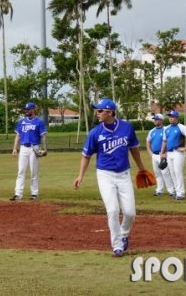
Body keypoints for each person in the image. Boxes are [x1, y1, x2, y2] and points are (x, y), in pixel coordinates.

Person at [73, 98, 148, 258]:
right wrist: (80, 175)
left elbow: (134, 149)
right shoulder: (95, 132)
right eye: (97, 110)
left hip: (124, 174)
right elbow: (86, 156)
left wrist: (142, 169)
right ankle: (117, 245)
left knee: (130, 213)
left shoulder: (127, 128)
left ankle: (124, 234)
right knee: (113, 210)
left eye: (100, 110)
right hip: (105, 175)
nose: (97, 113)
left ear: (110, 112)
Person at [10, 102, 47, 201]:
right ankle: (18, 194)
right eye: (26, 109)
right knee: (21, 171)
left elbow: (43, 136)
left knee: (33, 172)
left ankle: (34, 193)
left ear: (33, 109)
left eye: (28, 109)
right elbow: (18, 135)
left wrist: (44, 148)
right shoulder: (21, 121)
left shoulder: (39, 122)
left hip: (34, 148)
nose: (26, 111)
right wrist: (14, 148)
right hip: (23, 148)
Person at [160, 110, 186, 201]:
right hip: (169, 153)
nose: (170, 118)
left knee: (177, 171)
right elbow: (164, 141)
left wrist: (185, 148)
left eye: (172, 117)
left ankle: (181, 193)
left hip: (178, 152)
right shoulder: (166, 128)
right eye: (169, 117)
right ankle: (177, 191)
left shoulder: (181, 127)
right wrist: (162, 152)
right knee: (172, 172)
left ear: (177, 118)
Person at [146, 113, 175, 197]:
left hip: (163, 154)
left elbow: (168, 141)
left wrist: (165, 153)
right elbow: (148, 141)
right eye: (154, 119)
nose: (155, 121)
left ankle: (171, 190)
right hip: (154, 155)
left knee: (165, 172)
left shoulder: (166, 129)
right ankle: (159, 190)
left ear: (161, 120)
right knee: (157, 173)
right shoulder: (152, 131)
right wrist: (150, 153)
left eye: (156, 119)